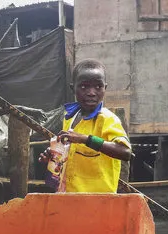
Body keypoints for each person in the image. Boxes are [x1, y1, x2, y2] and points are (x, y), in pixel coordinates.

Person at [39, 59, 132, 193]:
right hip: (70, 195)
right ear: (73, 88)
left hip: (98, 200)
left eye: (98, 87)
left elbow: (125, 152)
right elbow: (69, 152)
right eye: (84, 87)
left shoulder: (107, 119)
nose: (91, 92)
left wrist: (86, 139)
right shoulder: (70, 117)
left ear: (105, 88)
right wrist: (53, 155)